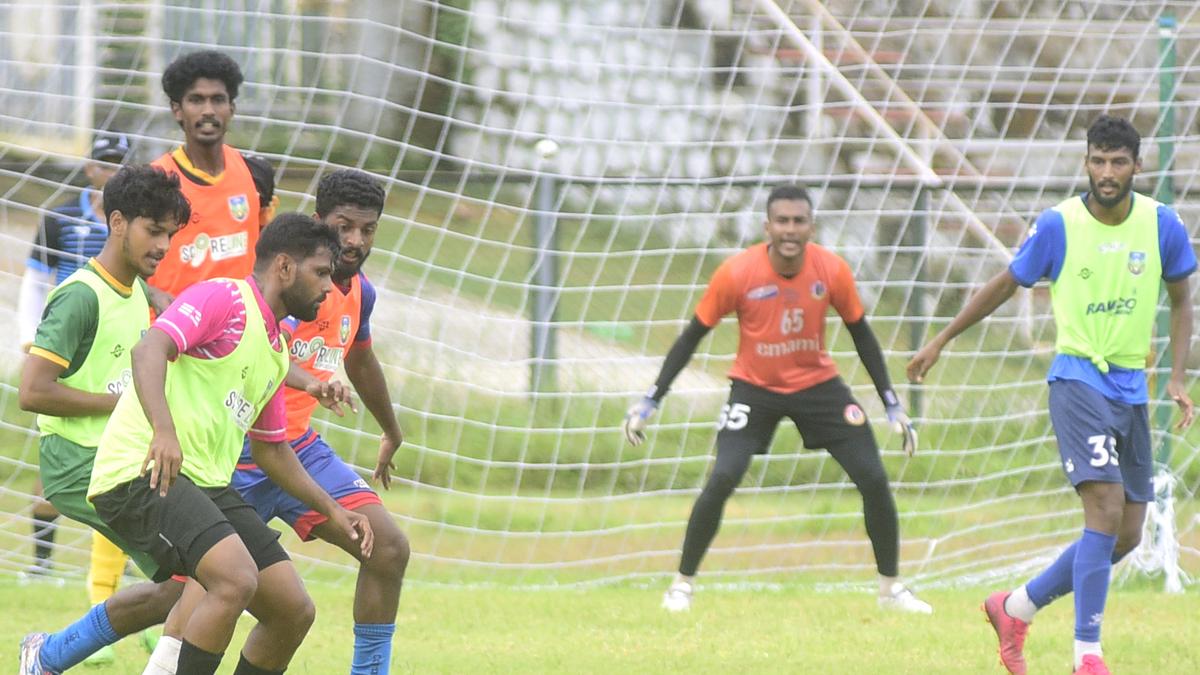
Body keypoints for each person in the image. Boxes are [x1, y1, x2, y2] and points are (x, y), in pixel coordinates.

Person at [22, 213, 374, 675]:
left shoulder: (274, 350)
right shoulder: (225, 298)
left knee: (292, 609)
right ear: (284, 267)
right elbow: (149, 349)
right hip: (141, 471)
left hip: (204, 484)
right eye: (321, 273)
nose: (330, 288)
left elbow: (272, 450)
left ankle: (49, 656)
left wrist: (333, 509)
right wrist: (163, 433)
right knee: (233, 580)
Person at [907, 115, 1195, 675]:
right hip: (1077, 380)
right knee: (1106, 509)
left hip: (1131, 386)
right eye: (1097, 160)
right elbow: (1005, 282)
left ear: (1138, 167)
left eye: (1118, 162)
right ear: (1086, 162)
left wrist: (1178, 377)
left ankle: (1015, 607)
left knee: (1128, 533)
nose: (1106, 173)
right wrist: (942, 338)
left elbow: (1183, 301)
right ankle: (1087, 656)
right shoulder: (1059, 224)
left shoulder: (1162, 225)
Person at [624, 184, 930, 614]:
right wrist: (651, 399)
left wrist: (891, 403)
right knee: (723, 476)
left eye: (799, 221)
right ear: (767, 227)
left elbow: (861, 334)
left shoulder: (832, 270)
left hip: (818, 386)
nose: (790, 229)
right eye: (782, 221)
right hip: (754, 388)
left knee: (874, 478)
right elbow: (692, 337)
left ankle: (890, 590)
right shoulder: (736, 273)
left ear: (811, 226)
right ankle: (681, 585)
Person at [231, 169, 409, 673]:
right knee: (179, 594)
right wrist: (309, 380)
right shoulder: (282, 286)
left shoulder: (360, 294)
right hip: (237, 455)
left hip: (298, 451)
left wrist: (391, 430)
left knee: (388, 549)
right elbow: (253, 349)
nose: (354, 241)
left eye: (367, 229)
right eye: (344, 226)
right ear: (318, 222)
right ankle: (49, 654)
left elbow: (360, 358)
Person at [16, 165, 191, 674]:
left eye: (169, 234)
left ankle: (48, 657)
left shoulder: (134, 290)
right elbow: (33, 391)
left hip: (114, 457)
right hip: (77, 466)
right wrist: (124, 405)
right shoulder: (80, 296)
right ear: (117, 222)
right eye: (153, 230)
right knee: (208, 566)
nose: (163, 245)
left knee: (193, 575)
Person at [18, 133, 132, 604]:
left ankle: (114, 580)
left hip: (114, 351)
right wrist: (28, 338)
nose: (111, 173)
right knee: (59, 456)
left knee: (121, 466)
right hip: (64, 352)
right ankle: (41, 562)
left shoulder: (132, 226)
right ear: (89, 169)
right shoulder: (61, 215)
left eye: (121, 165)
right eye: (105, 165)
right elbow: (35, 278)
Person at [148, 49, 276, 300]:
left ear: (231, 108)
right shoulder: (154, 181)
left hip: (240, 329)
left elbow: (267, 253)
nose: (208, 110)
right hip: (174, 332)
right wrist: (152, 295)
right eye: (196, 100)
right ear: (177, 110)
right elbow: (121, 267)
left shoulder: (257, 175)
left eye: (217, 100)